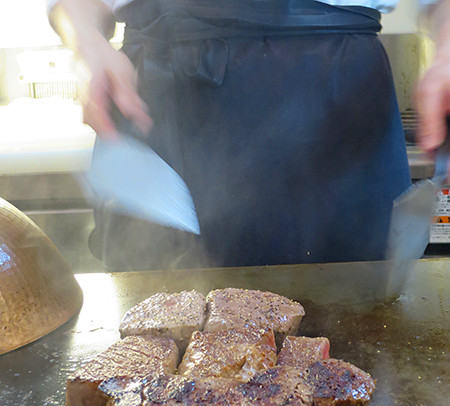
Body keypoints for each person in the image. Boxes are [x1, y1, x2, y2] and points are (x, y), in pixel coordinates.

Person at [48, 0, 450, 271]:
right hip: (157, 98)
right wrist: (85, 40)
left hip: (336, 103)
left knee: (355, 331)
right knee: (153, 344)